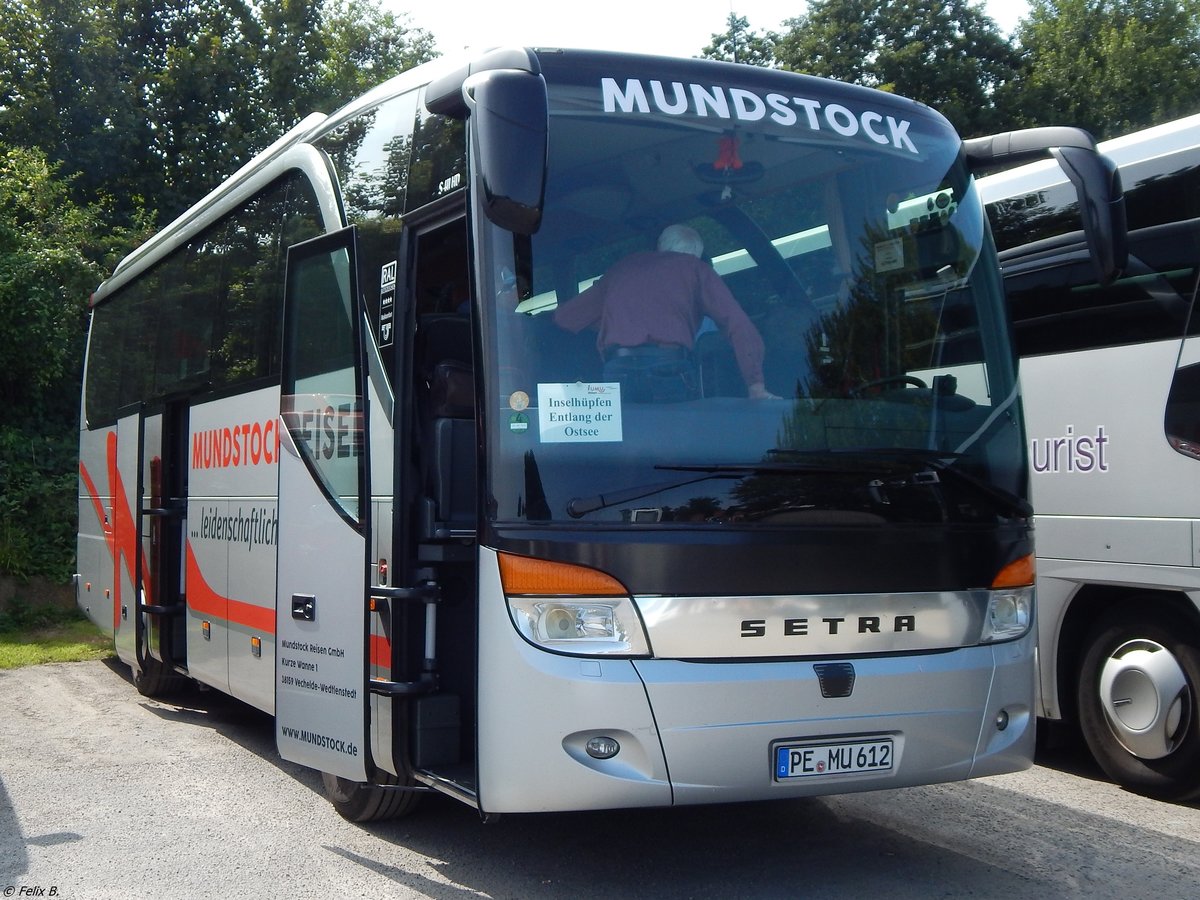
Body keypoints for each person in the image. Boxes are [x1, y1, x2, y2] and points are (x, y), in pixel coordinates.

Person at [553, 224, 776, 402]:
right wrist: (756, 385)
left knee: (626, 443)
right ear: (695, 255)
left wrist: (616, 323)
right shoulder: (695, 269)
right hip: (668, 367)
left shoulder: (624, 267)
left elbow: (565, 318)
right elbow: (737, 324)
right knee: (676, 448)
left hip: (617, 370)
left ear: (660, 246)